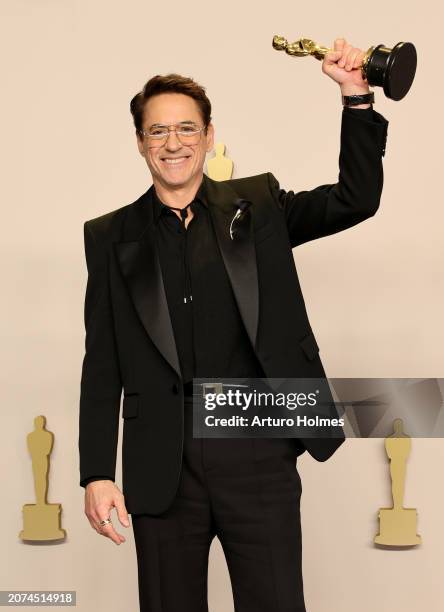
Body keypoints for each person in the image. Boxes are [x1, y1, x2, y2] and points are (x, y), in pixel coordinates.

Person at [79, 38, 389, 611]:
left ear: (208, 135)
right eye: (157, 131)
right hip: (162, 469)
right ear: (141, 142)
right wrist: (96, 472)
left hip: (258, 455)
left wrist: (356, 98)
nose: (173, 144)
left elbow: (355, 198)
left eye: (187, 129)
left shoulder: (260, 206)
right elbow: (102, 365)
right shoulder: (108, 237)